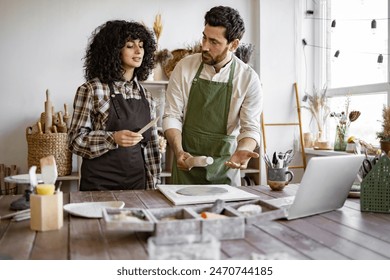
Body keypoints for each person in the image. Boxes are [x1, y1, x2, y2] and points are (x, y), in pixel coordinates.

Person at [163, 6, 263, 186]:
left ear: (233, 45)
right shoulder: (184, 67)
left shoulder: (248, 78)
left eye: (214, 42)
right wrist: (178, 151)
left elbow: (250, 129)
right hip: (186, 163)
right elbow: (172, 116)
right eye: (204, 37)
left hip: (225, 166)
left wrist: (243, 149)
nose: (204, 46)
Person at [68, 20, 160, 191]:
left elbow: (152, 147)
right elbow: (75, 141)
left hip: (137, 186)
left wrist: (154, 186)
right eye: (130, 46)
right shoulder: (92, 90)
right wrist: (113, 138)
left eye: (141, 45)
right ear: (114, 50)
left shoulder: (146, 96)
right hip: (99, 185)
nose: (138, 51)